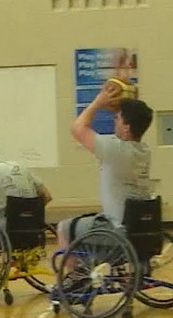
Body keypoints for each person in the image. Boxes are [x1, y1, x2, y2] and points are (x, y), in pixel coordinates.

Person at [56, 84, 153, 250]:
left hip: (116, 228)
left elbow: (77, 128)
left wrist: (98, 102)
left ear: (126, 127)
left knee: (64, 228)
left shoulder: (115, 149)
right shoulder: (144, 150)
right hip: (141, 227)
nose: (113, 120)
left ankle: (72, 276)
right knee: (89, 223)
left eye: (117, 118)